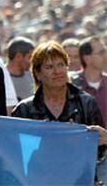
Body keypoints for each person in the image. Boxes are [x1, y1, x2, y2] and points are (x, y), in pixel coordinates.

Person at [11, 41, 105, 183]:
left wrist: (103, 140)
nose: (57, 71)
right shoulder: (24, 110)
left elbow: (98, 155)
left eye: (61, 65)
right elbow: (14, 157)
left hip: (79, 181)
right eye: (49, 67)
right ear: (38, 73)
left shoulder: (86, 103)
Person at [71, 36, 107, 125]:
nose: (105, 56)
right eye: (101, 52)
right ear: (87, 58)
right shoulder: (71, 84)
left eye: (105, 51)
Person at [6, 36, 36, 101]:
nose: (32, 61)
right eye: (30, 57)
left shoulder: (33, 76)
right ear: (18, 56)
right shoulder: (1, 76)